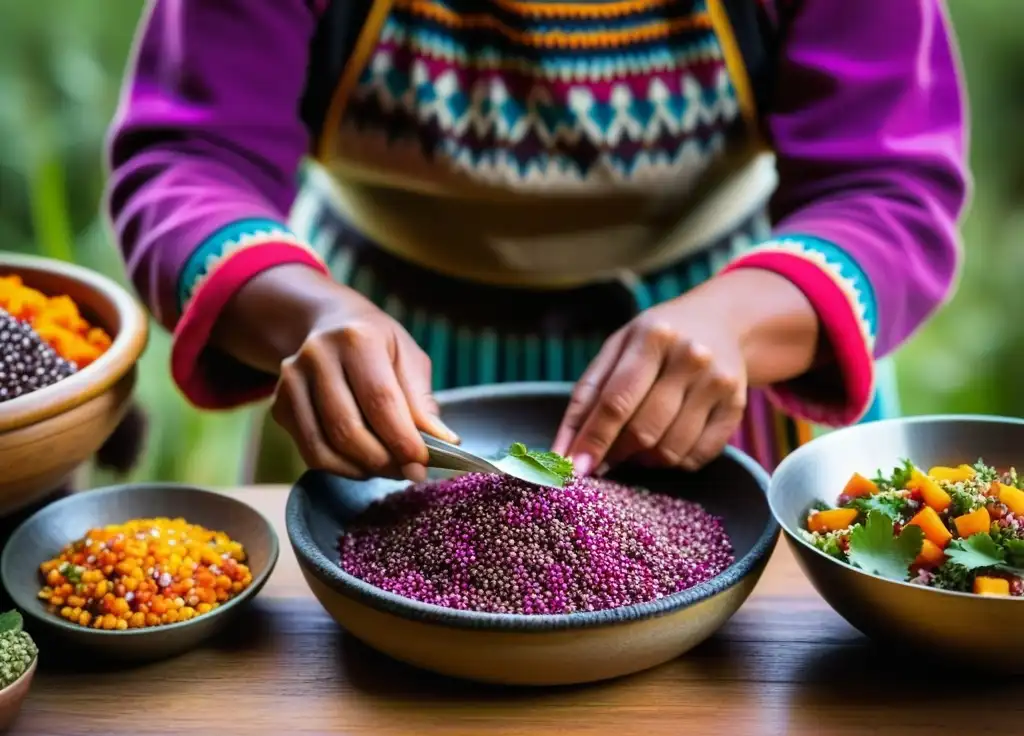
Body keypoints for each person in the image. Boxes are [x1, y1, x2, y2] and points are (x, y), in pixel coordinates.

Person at [107, 0, 967, 483]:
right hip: (385, 388)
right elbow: (190, 157)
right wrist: (301, 312)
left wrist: (742, 321)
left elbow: (889, 189)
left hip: (730, 370)